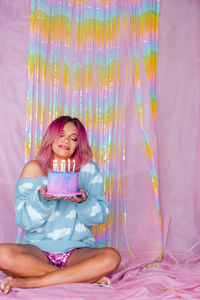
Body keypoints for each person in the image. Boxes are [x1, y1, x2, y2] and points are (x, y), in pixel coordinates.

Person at [0, 116, 121, 294]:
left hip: (77, 250)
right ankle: (83, 277)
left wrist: (84, 202)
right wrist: (42, 199)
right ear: (51, 137)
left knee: (111, 257)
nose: (66, 141)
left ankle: (28, 282)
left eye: (73, 138)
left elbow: (100, 216)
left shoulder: (88, 170)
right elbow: (23, 221)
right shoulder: (33, 169)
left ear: (79, 144)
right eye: (61, 135)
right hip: (37, 251)